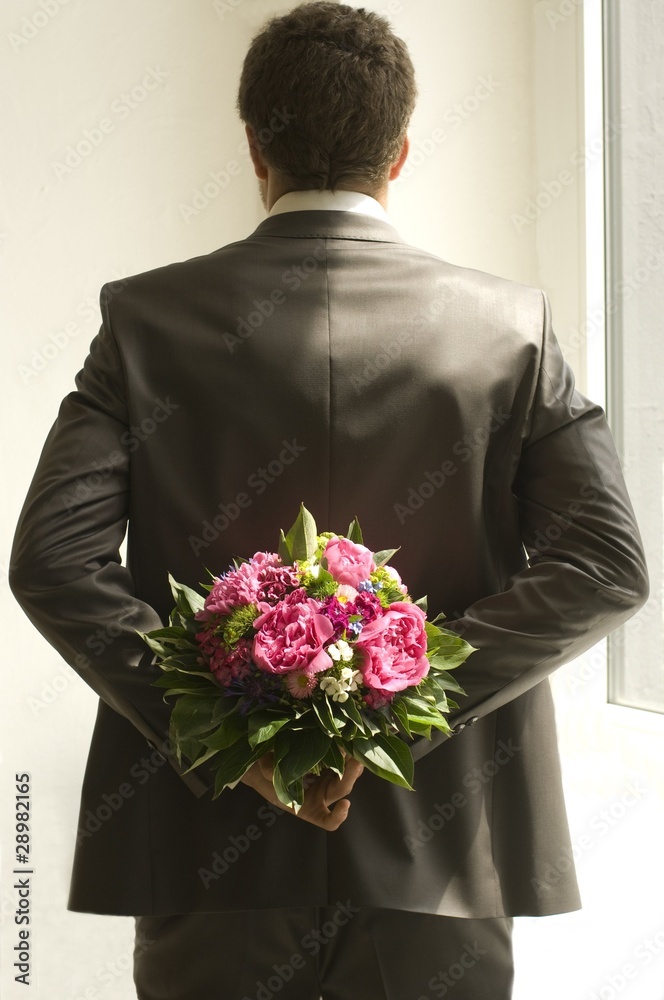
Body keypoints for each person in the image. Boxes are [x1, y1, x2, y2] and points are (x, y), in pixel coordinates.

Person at [9, 3, 648, 998]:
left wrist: (222, 738)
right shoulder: (509, 330)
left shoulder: (144, 322)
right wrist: (395, 715)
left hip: (211, 870)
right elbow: (605, 563)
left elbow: (53, 560)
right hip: (440, 864)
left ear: (253, 146)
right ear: (400, 152)